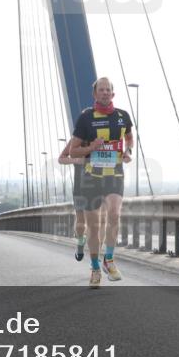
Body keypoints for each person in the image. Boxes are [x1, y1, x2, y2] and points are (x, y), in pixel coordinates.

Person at [68, 78, 133, 288]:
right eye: (101, 90)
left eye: (108, 90)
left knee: (114, 214)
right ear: (95, 94)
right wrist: (91, 147)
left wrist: (128, 150)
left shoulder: (123, 116)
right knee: (94, 227)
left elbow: (130, 137)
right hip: (90, 177)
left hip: (114, 174)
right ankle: (95, 267)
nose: (105, 93)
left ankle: (109, 259)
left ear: (113, 94)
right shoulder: (86, 118)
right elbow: (73, 151)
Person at [58, 139, 90, 262]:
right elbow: (61, 159)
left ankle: (95, 258)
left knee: (95, 222)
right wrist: (77, 160)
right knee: (81, 222)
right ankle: (81, 242)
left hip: (99, 188)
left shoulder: (102, 137)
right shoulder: (77, 139)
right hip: (80, 188)